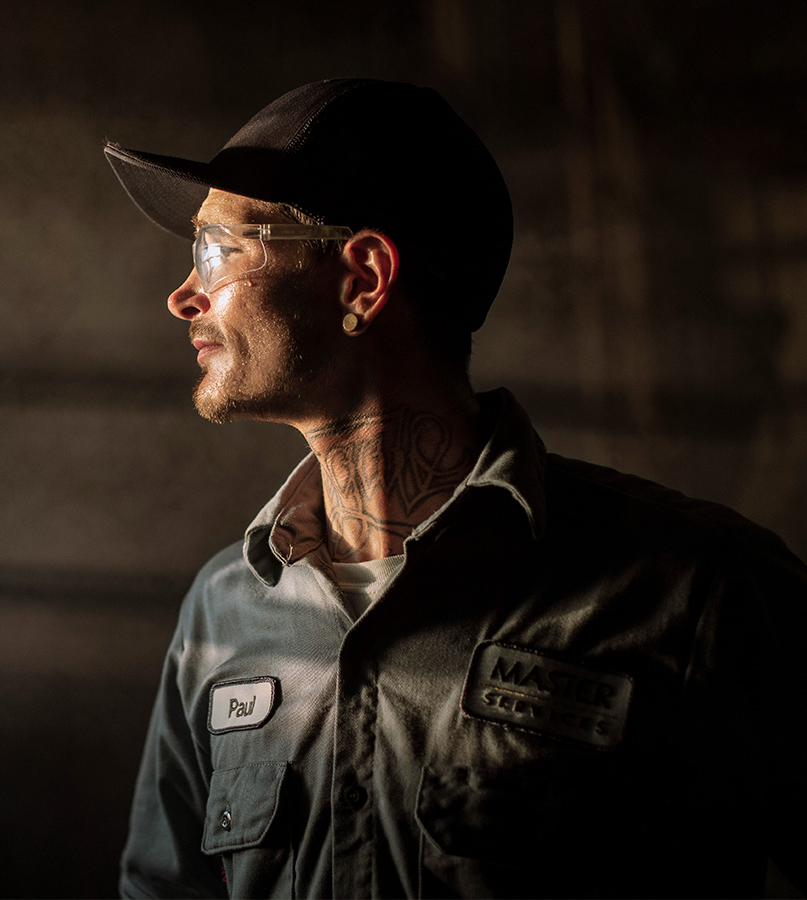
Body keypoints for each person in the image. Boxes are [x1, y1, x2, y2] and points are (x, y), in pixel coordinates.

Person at [103, 79, 806, 899]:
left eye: (218, 249)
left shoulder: (697, 595)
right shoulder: (221, 611)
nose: (183, 295)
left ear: (363, 278)